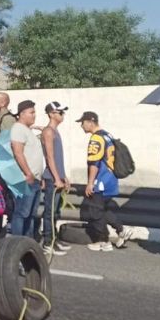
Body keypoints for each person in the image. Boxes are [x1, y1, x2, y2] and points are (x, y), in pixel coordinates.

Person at [77, 111, 132, 252]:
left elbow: (94, 163)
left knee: (95, 211)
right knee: (102, 209)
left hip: (101, 181)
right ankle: (121, 229)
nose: (81, 126)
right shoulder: (108, 135)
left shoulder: (96, 139)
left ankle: (103, 241)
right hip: (112, 179)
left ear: (90, 121)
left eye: (82, 123)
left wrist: (90, 183)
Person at [40, 101, 72, 260]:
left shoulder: (54, 131)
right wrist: (56, 178)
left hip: (58, 177)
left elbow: (59, 158)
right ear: (51, 114)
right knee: (50, 211)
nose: (62, 115)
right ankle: (48, 242)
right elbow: (50, 157)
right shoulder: (48, 132)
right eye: (59, 112)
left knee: (56, 211)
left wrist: (64, 176)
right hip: (52, 178)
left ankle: (55, 239)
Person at [9, 100, 44, 238]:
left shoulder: (27, 131)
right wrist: (28, 173)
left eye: (34, 112)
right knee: (22, 213)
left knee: (30, 214)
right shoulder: (18, 129)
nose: (34, 115)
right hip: (26, 179)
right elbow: (18, 152)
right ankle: (17, 244)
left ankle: (27, 244)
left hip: (34, 179)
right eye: (31, 112)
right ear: (22, 114)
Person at [0, 92, 17, 236]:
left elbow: (10, 142)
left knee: (8, 198)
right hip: (0, 164)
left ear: (3, 103)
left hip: (7, 165)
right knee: (0, 196)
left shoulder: (7, 119)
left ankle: (10, 229)